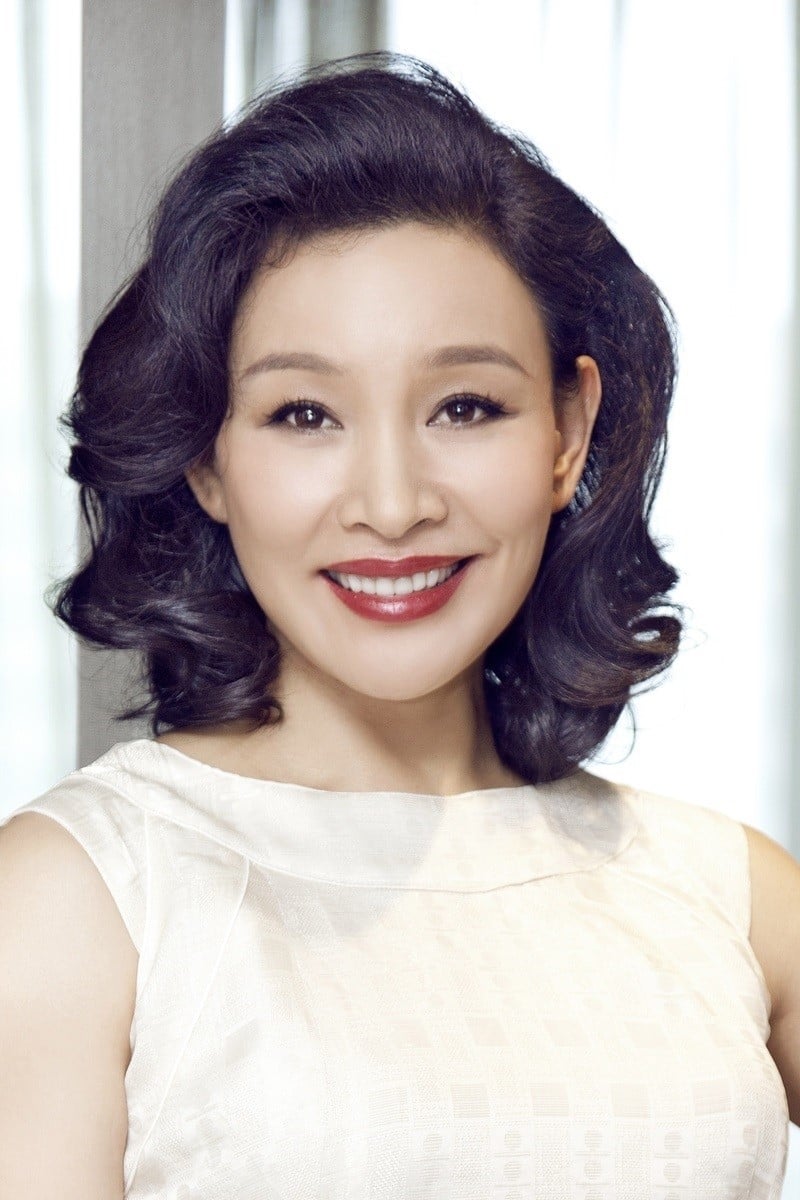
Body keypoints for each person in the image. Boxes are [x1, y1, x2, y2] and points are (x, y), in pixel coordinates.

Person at [0, 51, 797, 1200]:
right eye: (302, 413)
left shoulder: (728, 894)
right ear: (205, 459)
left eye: (464, 406)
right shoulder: (79, 897)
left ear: (567, 432)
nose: (390, 504)